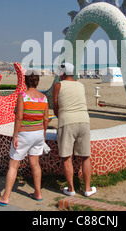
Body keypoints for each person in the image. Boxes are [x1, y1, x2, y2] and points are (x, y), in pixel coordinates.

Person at [0, 71, 49, 206]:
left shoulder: (23, 96)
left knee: (13, 165)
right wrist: (43, 134)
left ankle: (5, 197)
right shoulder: (44, 98)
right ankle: (38, 193)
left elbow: (19, 117)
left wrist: (15, 135)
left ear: (25, 82)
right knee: (35, 164)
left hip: (25, 134)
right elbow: (46, 119)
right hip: (38, 133)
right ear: (38, 82)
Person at [53, 62, 96, 197]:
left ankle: (71, 189)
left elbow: (55, 107)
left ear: (62, 73)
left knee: (67, 157)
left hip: (67, 121)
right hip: (84, 120)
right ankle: (87, 189)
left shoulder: (58, 85)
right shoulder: (80, 85)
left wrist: (61, 118)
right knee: (85, 156)